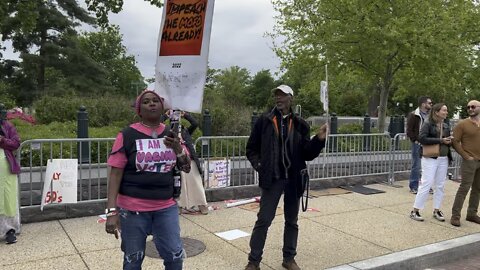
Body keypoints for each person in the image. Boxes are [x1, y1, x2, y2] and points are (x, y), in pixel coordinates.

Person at [244, 85, 328, 270]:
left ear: (291, 98)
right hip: (272, 179)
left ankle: (289, 259)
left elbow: (307, 153)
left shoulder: (300, 123)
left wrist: (318, 140)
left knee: (292, 221)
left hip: (294, 179)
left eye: (282, 95)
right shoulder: (264, 121)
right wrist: (260, 166)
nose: (278, 99)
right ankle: (253, 261)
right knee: (264, 220)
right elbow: (251, 148)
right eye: (276, 95)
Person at [105, 90, 191, 270]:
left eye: (155, 101)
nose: (151, 104)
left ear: (162, 107)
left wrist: (177, 148)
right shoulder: (126, 135)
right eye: (146, 102)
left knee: (175, 257)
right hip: (132, 210)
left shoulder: (172, 133)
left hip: (165, 207)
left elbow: (186, 167)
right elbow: (115, 173)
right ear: (139, 110)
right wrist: (112, 211)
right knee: (133, 259)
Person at [410, 103, 452, 222]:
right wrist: (441, 140)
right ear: (436, 112)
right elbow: (422, 138)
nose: (446, 112)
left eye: (446, 110)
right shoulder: (428, 124)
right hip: (430, 158)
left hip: (443, 158)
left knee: (440, 185)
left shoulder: (445, 125)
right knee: (426, 183)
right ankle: (415, 210)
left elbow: (446, 140)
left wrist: (449, 141)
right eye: (444, 110)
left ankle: (437, 209)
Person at [162, 110, 209, 215]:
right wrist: (165, 115)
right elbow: (157, 125)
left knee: (196, 182)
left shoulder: (185, 131)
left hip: (189, 159)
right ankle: (179, 206)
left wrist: (185, 115)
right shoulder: (167, 132)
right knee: (180, 184)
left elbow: (195, 124)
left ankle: (202, 204)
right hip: (176, 160)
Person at [450, 100, 480, 227]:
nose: (470, 109)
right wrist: (466, 156)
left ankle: (472, 214)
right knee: (464, 188)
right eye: (468, 107)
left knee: (478, 189)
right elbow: (455, 141)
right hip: (470, 161)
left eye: (473, 106)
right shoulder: (462, 124)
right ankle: (455, 216)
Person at [0, 103, 21, 244]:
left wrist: (1, 140)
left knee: (8, 198)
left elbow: (16, 143)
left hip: (6, 169)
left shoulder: (7, 126)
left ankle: (9, 230)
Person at [406, 96, 432, 194]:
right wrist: (415, 140)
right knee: (416, 165)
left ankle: (426, 185)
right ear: (423, 104)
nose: (431, 105)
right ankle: (414, 186)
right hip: (418, 143)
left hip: (428, 143)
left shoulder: (430, 116)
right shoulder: (414, 115)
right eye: (429, 103)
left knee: (428, 166)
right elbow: (409, 130)